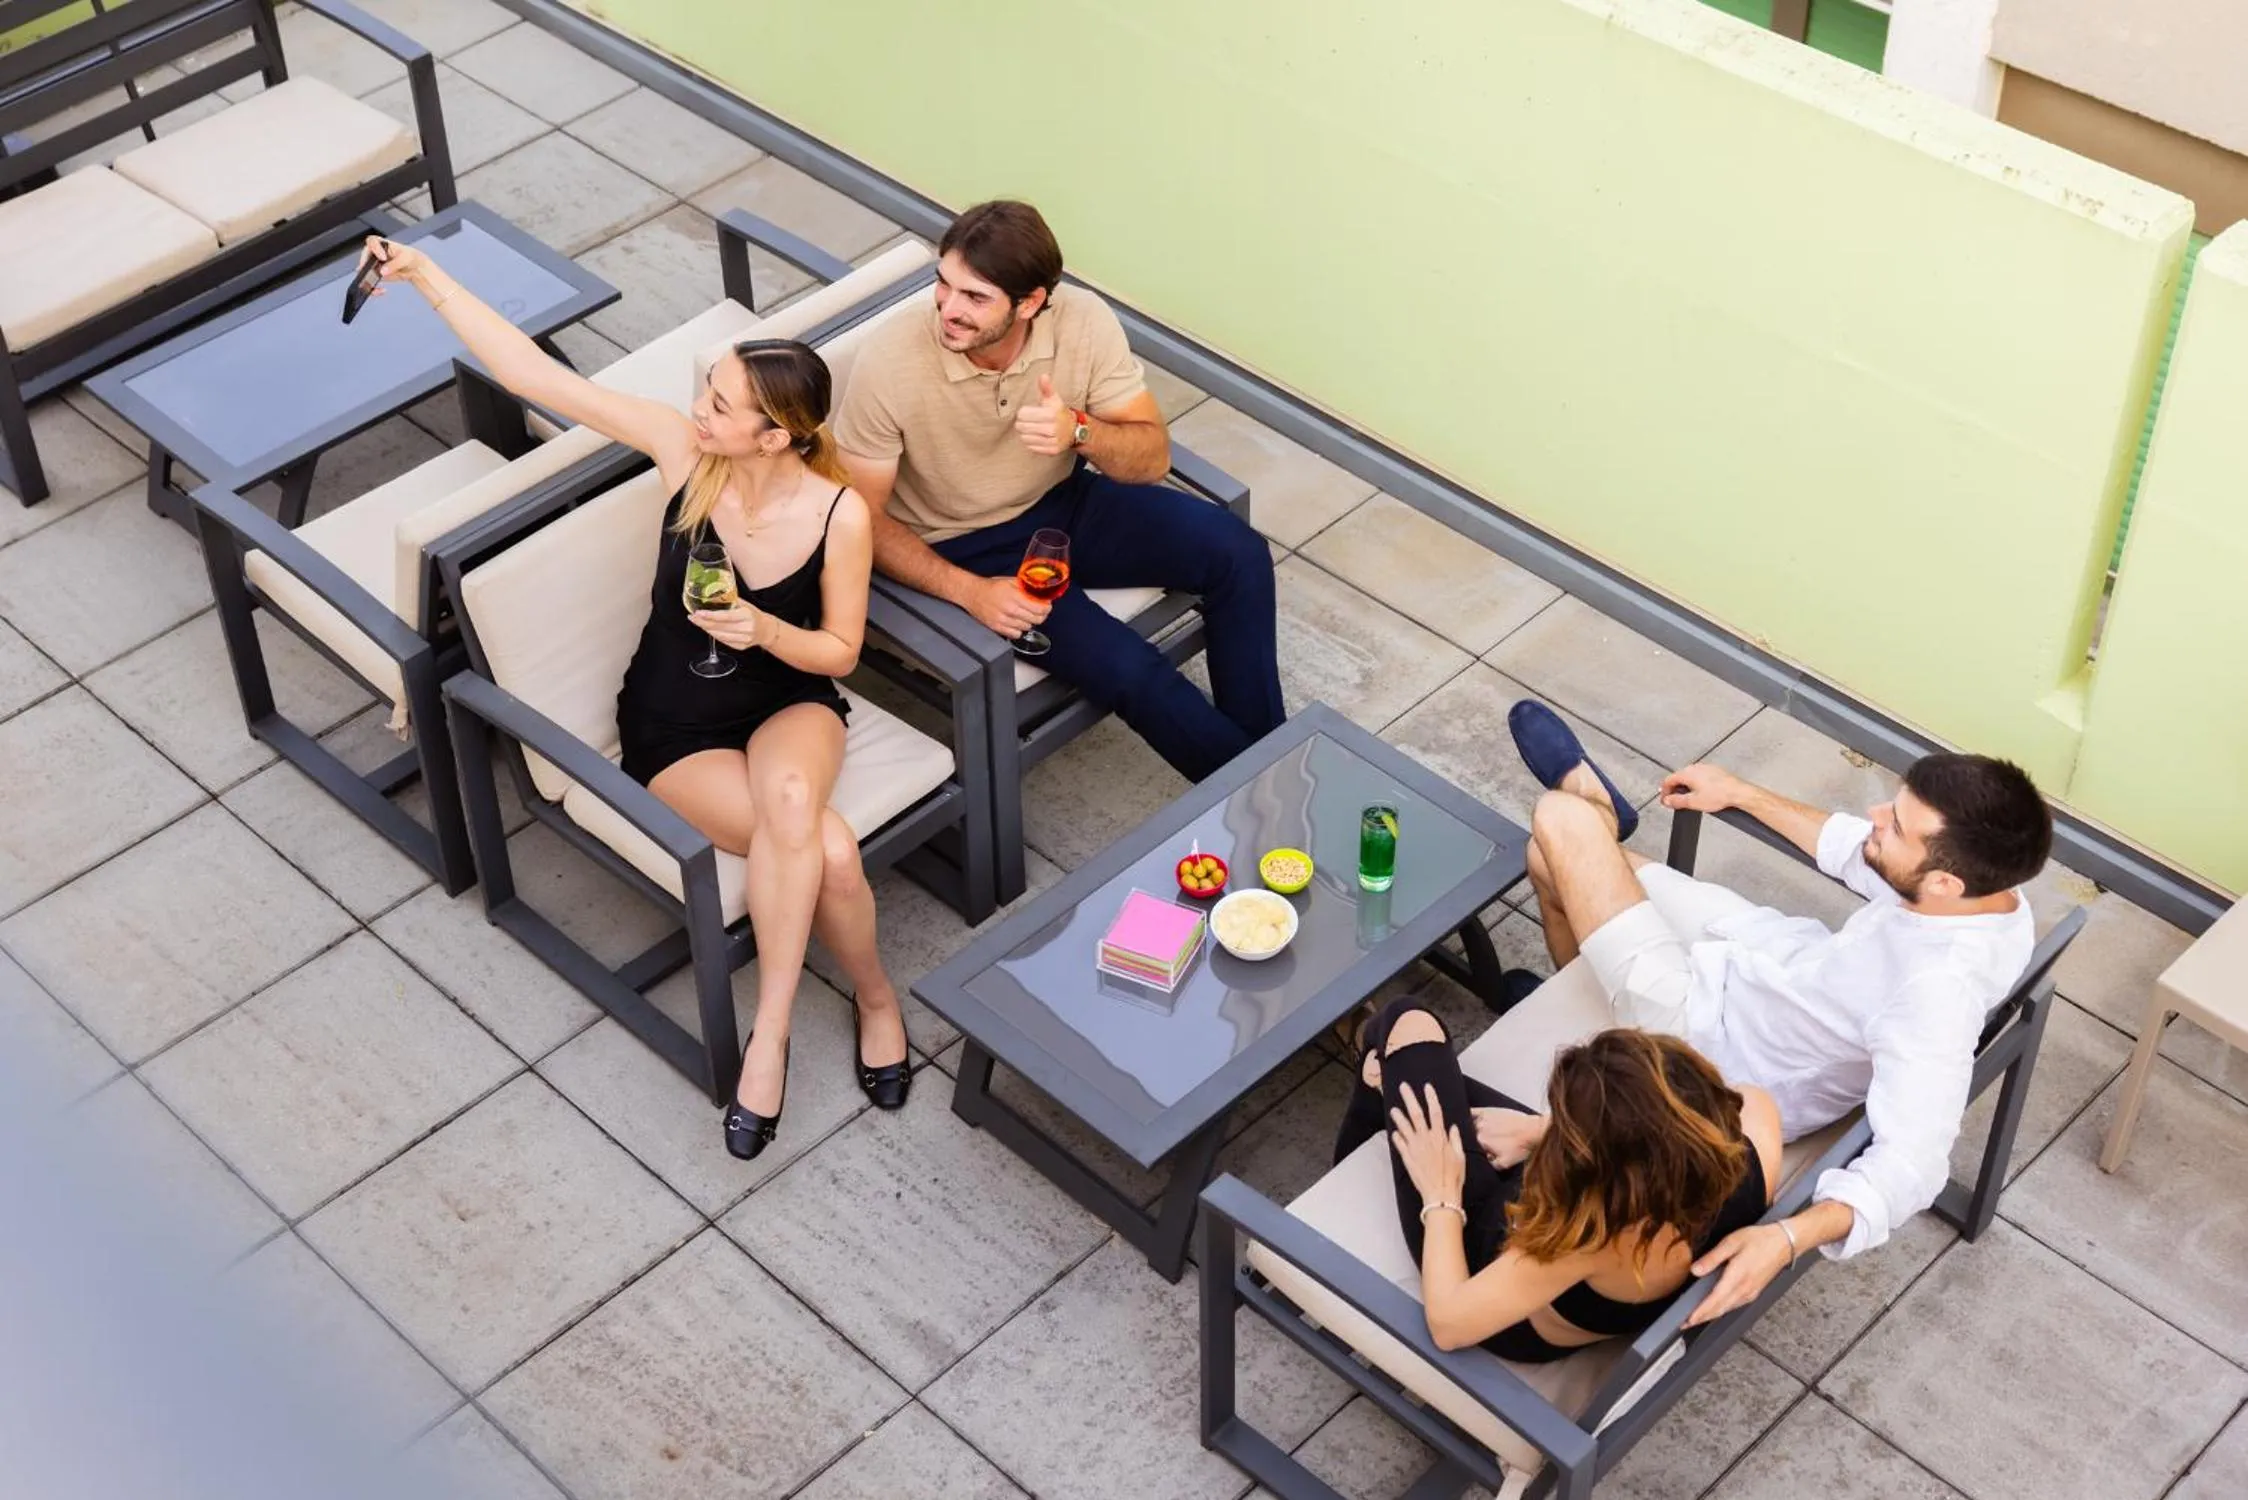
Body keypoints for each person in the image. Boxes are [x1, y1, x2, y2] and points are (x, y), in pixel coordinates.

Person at [362, 236, 912, 1162]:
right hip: (672, 723)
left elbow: (841, 652)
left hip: (790, 698)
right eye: (707, 391)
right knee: (830, 847)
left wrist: (763, 631)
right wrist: (426, 278)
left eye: (721, 404)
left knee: (791, 805)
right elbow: (530, 371)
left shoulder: (838, 514)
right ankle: (872, 998)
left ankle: (768, 1037)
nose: (698, 409)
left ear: (775, 435)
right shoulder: (680, 452)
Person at [1504, 698, 2051, 1325]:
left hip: (1706, 1037)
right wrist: (1741, 792)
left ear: (1945, 885)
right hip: (1755, 952)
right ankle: (1592, 977)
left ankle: (1591, 806)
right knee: (1550, 856)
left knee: (1558, 821)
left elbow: (1914, 1163)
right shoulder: (1989, 895)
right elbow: (1854, 848)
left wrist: (1787, 1237)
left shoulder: (1935, 997)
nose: (1875, 817)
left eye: (1896, 824)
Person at [833, 200, 1284, 783]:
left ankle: (1272, 768)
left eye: (975, 298)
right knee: (1129, 669)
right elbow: (858, 517)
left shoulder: (1082, 320)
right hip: (963, 546)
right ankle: (1269, 797)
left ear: (1031, 303)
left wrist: (1079, 430)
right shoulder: (892, 362)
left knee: (1239, 554)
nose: (947, 309)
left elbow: (1151, 458)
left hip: (1065, 504)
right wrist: (968, 592)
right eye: (943, 285)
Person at [1340, 999, 1781, 1357]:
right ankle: (1377, 1076)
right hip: (1580, 1198)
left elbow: (1450, 1325)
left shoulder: (1590, 1240)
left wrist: (1441, 1195)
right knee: (1410, 1064)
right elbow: (1701, 1120)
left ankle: (1363, 1107)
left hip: (1486, 1259)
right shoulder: (1751, 1135)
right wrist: (1538, 1131)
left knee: (1405, 1022)